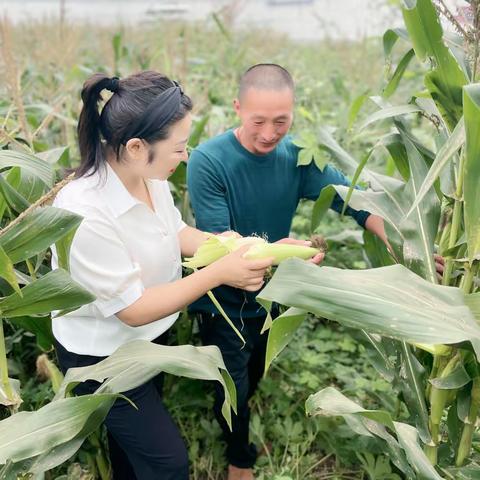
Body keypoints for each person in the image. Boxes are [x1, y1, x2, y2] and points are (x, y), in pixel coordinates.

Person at [51, 70, 275, 480]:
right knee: (167, 462)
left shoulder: (149, 177)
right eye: (178, 148)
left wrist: (223, 244)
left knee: (131, 452)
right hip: (104, 359)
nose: (185, 157)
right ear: (136, 147)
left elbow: (174, 232)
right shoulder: (85, 212)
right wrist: (218, 272)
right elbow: (132, 310)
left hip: (151, 339)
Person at [186, 63, 389, 480]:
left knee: (255, 370)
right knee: (233, 386)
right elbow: (222, 244)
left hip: (271, 295)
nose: (268, 133)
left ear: (294, 112)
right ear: (238, 107)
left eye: (281, 121)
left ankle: (236, 423)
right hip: (221, 299)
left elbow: (353, 200)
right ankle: (238, 459)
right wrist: (282, 250)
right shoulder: (208, 160)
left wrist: (402, 239)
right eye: (258, 120)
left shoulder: (297, 157)